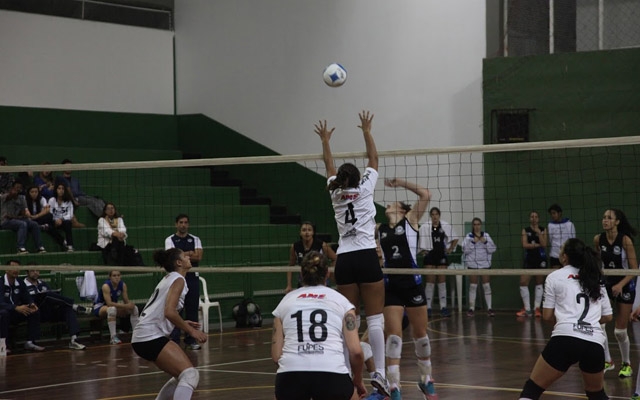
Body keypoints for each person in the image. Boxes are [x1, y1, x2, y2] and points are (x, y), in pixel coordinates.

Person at [314, 110, 389, 396]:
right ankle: (379, 372)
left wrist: (325, 141)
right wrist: (367, 131)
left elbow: (329, 165)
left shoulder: (334, 194)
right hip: (367, 256)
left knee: (350, 320)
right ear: (358, 178)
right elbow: (374, 160)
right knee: (376, 319)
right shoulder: (367, 188)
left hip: (344, 259)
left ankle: (346, 371)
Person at [518, 238, 612, 400]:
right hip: (594, 343)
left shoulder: (555, 276)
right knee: (596, 393)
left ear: (565, 257)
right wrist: (588, 323)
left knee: (532, 389)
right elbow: (608, 316)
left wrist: (568, 324)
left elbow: (547, 316)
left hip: (565, 339)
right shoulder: (595, 277)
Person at [272, 251, 366, 400]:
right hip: (331, 374)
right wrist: (358, 379)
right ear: (327, 274)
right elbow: (356, 351)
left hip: (290, 375)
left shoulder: (284, 303)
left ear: (301, 274)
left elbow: (277, 356)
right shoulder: (343, 303)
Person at [377, 177, 438, 400]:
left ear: (403, 210)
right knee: (393, 338)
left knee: (421, 336)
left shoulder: (411, 221)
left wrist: (400, 183)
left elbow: (426, 195)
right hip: (391, 285)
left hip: (412, 284)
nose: (389, 205)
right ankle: (394, 386)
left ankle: (425, 379)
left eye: (394, 203)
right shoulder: (380, 229)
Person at [131, 248, 208, 400]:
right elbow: (169, 312)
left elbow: (162, 311)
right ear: (179, 262)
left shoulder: (170, 278)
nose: (189, 257)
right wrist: (191, 332)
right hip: (149, 336)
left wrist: (182, 322)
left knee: (182, 376)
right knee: (190, 374)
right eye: (185, 256)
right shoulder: (178, 280)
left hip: (143, 336)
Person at [593, 208, 638, 379]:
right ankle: (607, 361)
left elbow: (634, 270)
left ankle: (626, 364)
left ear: (617, 222)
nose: (605, 220)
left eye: (609, 218)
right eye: (604, 217)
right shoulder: (598, 239)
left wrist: (620, 284)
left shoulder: (625, 240)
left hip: (625, 284)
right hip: (607, 284)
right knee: (601, 324)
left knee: (620, 331)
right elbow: (598, 263)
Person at [24, 267, 89, 350]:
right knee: (47, 295)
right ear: (27, 273)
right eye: (32, 271)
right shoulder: (23, 285)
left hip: (49, 312)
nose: (35, 273)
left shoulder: (43, 284)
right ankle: (74, 305)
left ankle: (74, 340)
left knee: (67, 309)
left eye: (37, 271)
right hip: (36, 314)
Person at [165, 214, 203, 350]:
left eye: (186, 222)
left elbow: (198, 257)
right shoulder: (170, 239)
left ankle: (191, 340)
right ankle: (174, 340)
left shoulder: (195, 239)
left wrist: (182, 254)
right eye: (181, 222)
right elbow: (171, 258)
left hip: (192, 278)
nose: (183, 225)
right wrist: (189, 253)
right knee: (175, 309)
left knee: (192, 309)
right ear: (176, 224)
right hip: (176, 278)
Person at [418, 207, 459, 318]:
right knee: (430, 283)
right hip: (430, 256)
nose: (435, 216)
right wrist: (422, 250)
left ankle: (443, 308)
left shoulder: (445, 226)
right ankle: (428, 308)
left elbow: (455, 238)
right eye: (433, 214)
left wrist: (450, 249)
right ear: (430, 216)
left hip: (441, 256)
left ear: (439, 215)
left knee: (442, 283)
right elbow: (420, 240)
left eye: (436, 214)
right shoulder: (426, 227)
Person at [0, 260, 45, 351]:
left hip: (16, 312)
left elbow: (27, 297)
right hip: (5, 312)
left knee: (34, 311)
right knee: (4, 314)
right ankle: (3, 345)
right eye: (13, 268)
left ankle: (30, 342)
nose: (16, 270)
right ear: (6, 270)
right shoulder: (1, 283)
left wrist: (31, 304)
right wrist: (15, 307)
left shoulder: (20, 282)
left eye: (18, 268)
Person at [285, 221, 337, 293]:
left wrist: (330, 274)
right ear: (300, 233)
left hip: (321, 280)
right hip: (304, 280)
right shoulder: (295, 247)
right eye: (304, 230)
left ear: (313, 232)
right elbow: (290, 266)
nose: (307, 232)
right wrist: (289, 285)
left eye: (309, 230)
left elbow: (335, 259)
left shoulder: (322, 245)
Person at [92, 270, 140, 345]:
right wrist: (125, 306)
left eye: (118, 275)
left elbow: (126, 300)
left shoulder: (122, 284)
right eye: (114, 276)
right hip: (100, 307)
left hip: (113, 306)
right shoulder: (106, 286)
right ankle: (113, 337)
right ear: (110, 277)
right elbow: (109, 303)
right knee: (112, 310)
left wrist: (130, 305)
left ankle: (137, 334)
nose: (117, 277)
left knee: (134, 309)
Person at [462, 217, 497, 317]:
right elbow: (465, 250)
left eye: (478, 224)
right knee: (473, 286)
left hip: (485, 265)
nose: (477, 226)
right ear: (472, 226)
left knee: (486, 286)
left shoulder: (486, 235)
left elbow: (493, 249)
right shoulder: (468, 237)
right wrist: (474, 241)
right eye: (475, 224)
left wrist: (484, 241)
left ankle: (489, 308)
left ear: (481, 225)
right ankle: (471, 308)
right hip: (473, 265)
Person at [1, 181, 46, 254]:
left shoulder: (22, 198)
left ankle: (40, 247)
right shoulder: (4, 196)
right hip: (5, 221)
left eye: (19, 188)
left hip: (17, 219)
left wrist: (19, 215)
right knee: (22, 224)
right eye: (16, 187)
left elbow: (23, 213)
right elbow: (8, 197)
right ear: (12, 188)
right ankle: (20, 247)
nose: (18, 189)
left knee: (34, 224)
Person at [518, 211, 548, 318]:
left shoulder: (543, 229)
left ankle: (537, 308)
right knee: (523, 282)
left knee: (539, 282)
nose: (534, 218)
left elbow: (544, 244)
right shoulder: (525, 230)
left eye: (536, 216)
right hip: (529, 259)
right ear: (529, 219)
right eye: (532, 217)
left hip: (540, 258)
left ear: (538, 219)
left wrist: (539, 233)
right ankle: (527, 309)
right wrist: (536, 245)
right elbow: (524, 244)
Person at [48, 182, 75, 252]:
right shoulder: (51, 200)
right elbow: (49, 213)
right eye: (59, 188)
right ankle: (63, 241)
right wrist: (55, 220)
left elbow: (70, 215)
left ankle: (70, 245)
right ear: (56, 190)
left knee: (68, 223)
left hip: (64, 222)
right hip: (54, 221)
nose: (61, 190)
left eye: (63, 189)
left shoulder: (69, 202)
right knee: (48, 227)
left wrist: (61, 219)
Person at [547, 204, 576, 268]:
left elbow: (573, 239)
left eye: (554, 213)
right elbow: (550, 239)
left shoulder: (569, 224)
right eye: (551, 214)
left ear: (559, 213)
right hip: (555, 255)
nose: (552, 215)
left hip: (567, 255)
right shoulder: (550, 225)